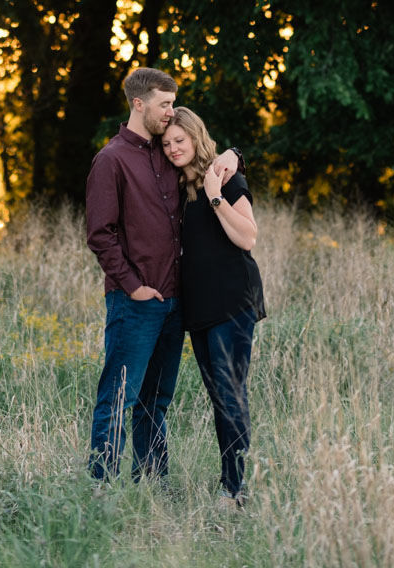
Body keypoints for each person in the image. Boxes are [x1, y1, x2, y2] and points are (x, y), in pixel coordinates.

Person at [85, 67, 241, 482]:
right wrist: (133, 288)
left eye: (173, 104)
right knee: (119, 397)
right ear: (139, 104)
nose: (171, 113)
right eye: (165, 104)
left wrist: (234, 155)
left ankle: (152, 485)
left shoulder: (167, 151)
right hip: (134, 301)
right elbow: (100, 235)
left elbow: (211, 155)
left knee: (156, 401)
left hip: (175, 303)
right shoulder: (111, 159)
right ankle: (100, 488)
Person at [162, 106, 265, 506]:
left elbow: (248, 238)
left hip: (232, 298)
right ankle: (231, 481)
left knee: (230, 392)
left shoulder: (224, 179)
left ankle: (236, 489)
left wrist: (215, 197)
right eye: (167, 143)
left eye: (180, 141)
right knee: (217, 395)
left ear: (196, 137)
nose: (173, 148)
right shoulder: (174, 186)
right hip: (198, 305)